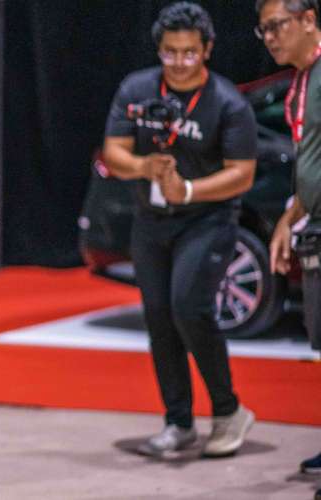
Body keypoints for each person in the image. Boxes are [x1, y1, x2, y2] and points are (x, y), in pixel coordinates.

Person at [102, 2, 257, 458]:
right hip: (151, 222)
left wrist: (186, 190)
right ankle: (178, 422)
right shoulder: (136, 88)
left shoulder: (228, 102)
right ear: (160, 50)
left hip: (207, 219)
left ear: (207, 50)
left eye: (190, 52)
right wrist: (143, 166)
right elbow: (114, 152)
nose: (180, 61)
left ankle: (229, 410)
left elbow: (242, 173)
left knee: (188, 307)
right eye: (171, 52)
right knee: (159, 319)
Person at [256, 0, 321, 493]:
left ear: (309, 20)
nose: (271, 37)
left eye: (278, 25)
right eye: (264, 30)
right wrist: (288, 218)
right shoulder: (302, 80)